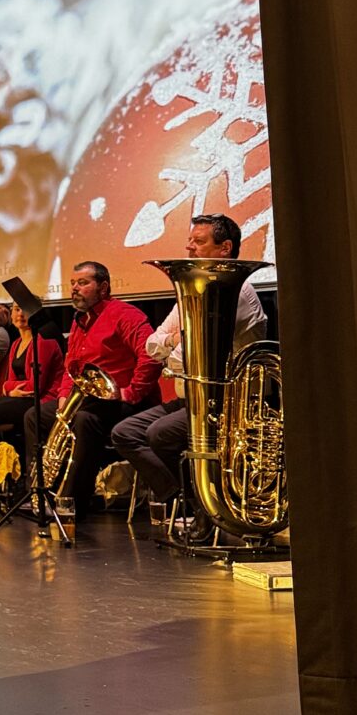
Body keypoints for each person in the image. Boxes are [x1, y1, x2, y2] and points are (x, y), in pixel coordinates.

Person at [111, 214, 267, 518]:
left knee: (160, 434)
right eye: (190, 240)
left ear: (225, 248)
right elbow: (152, 345)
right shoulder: (192, 292)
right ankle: (187, 499)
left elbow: (190, 358)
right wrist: (174, 343)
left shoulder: (238, 292)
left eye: (199, 241)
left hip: (227, 402)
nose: (189, 247)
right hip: (190, 399)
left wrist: (173, 345)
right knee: (125, 433)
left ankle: (204, 507)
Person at [23, 261, 162, 518]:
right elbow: (71, 366)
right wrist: (64, 395)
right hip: (88, 397)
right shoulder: (79, 321)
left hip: (125, 402)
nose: (75, 289)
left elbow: (151, 355)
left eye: (83, 283)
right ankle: (39, 490)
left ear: (104, 287)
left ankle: (72, 501)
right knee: (35, 415)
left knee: (84, 420)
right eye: (73, 283)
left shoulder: (125, 314)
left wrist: (130, 392)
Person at [0, 303, 66, 497]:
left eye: (25, 309)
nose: (20, 314)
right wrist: (10, 390)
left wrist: (12, 390)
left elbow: (36, 386)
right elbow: (8, 382)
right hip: (19, 397)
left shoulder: (43, 341)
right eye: (15, 309)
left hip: (39, 401)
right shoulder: (16, 343)